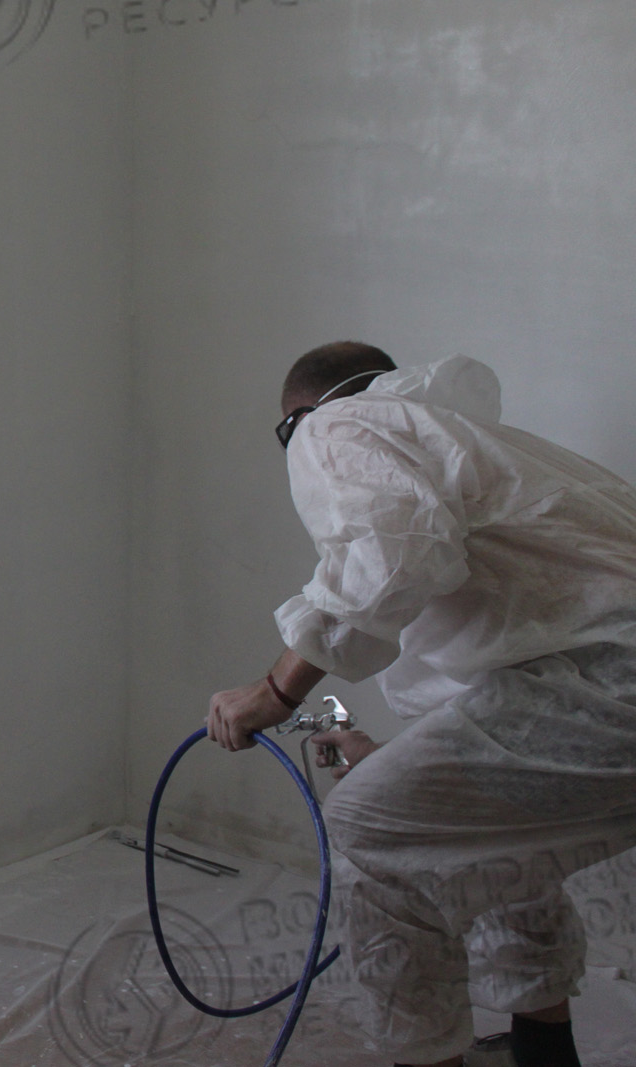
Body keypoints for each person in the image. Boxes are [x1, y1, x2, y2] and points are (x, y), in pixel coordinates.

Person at [206, 342, 636, 1067]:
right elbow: (503, 677)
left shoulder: (338, 425)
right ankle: (544, 1052)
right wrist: (385, 754)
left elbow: (391, 559)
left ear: (299, 416)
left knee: (367, 832)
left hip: (609, 685)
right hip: (600, 691)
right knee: (482, 835)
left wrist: (274, 691)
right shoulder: (472, 442)